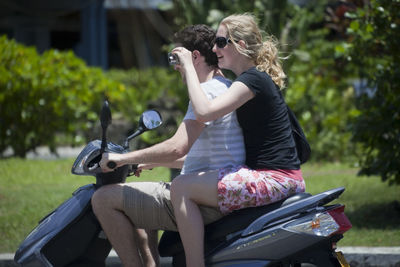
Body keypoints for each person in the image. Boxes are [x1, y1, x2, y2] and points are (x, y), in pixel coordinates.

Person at [92, 24, 245, 267]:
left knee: (103, 199)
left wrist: (122, 158)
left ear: (194, 57)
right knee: (140, 197)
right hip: (213, 189)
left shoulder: (206, 92)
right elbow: (202, 155)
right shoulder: (224, 87)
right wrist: (147, 161)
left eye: (175, 57)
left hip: (204, 201)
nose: (174, 65)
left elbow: (177, 147)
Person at [169, 13, 306, 266]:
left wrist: (189, 66)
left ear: (240, 45)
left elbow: (204, 112)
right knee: (185, 183)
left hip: (276, 179)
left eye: (221, 42)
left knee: (181, 187)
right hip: (277, 176)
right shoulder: (249, 80)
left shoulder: (251, 80)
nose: (214, 48)